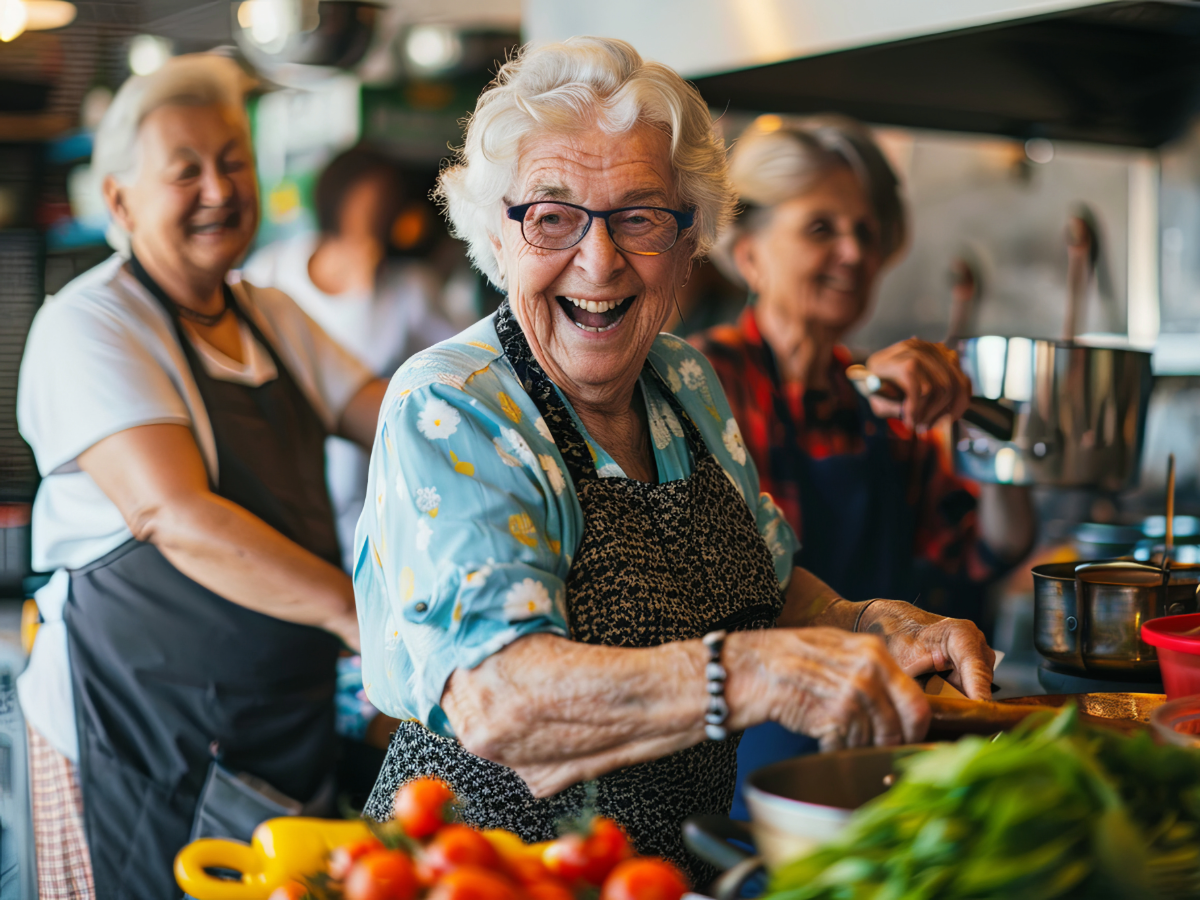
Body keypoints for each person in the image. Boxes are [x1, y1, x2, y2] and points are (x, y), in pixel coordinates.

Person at [353, 37, 996, 883]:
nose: (600, 258)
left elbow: (760, 585)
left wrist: (873, 623)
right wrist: (751, 674)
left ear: (691, 241)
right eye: (553, 216)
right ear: (497, 235)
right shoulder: (453, 405)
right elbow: (498, 697)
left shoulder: (683, 378)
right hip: (479, 872)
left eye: (640, 215)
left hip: (652, 875)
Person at [17, 54, 388, 898]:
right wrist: (356, 615)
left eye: (234, 162)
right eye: (186, 171)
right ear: (118, 200)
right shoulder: (90, 326)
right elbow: (172, 512)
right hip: (138, 737)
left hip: (276, 724)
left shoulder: (274, 316)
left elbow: (393, 418)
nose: (220, 189)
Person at [690, 116, 1036, 816]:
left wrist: (978, 426)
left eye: (866, 232)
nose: (854, 252)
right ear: (749, 252)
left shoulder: (877, 397)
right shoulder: (696, 382)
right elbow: (711, 576)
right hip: (744, 747)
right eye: (822, 229)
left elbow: (985, 548)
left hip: (887, 738)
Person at [242, 145, 455, 571]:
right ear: (333, 198)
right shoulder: (272, 272)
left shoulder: (410, 288)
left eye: (383, 204)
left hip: (373, 479)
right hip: (287, 476)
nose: (370, 216)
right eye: (362, 200)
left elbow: (459, 365)